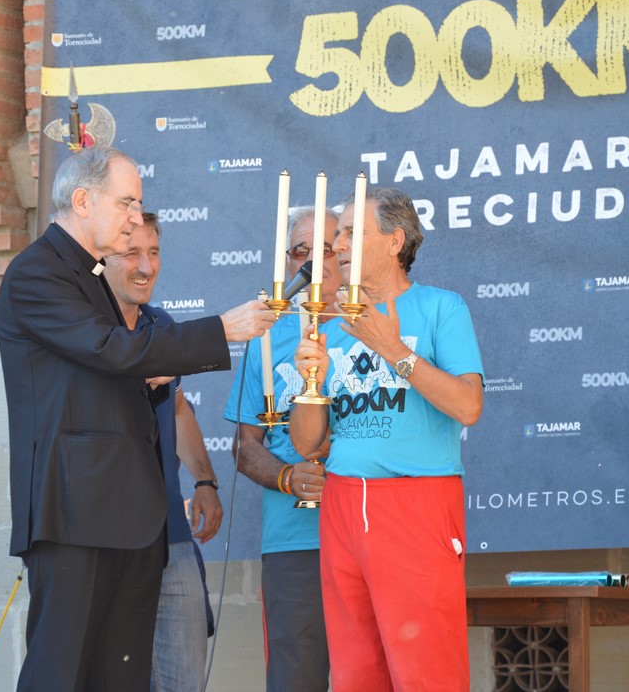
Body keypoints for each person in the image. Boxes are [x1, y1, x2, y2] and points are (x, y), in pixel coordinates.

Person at [0, 145, 276, 692]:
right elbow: (108, 350)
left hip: (130, 518)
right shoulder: (37, 272)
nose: (134, 216)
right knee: (61, 675)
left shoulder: (93, 278)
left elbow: (105, 371)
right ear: (82, 201)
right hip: (74, 513)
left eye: (138, 204)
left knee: (120, 679)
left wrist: (147, 379)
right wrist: (221, 330)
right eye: (126, 202)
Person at [289, 188, 484, 691]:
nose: (338, 244)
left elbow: (469, 406)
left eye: (352, 233)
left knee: (427, 673)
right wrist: (311, 384)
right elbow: (306, 445)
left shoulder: (441, 307)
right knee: (355, 673)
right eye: (339, 234)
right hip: (341, 503)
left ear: (395, 241)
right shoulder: (330, 320)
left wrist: (393, 349)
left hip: (415, 501)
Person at [222, 205, 341, 691]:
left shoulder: (376, 327)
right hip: (294, 539)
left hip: (369, 529)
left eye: (326, 249)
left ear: (348, 256)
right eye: (300, 251)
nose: (312, 262)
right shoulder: (267, 337)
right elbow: (244, 446)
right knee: (296, 679)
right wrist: (287, 477)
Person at [103, 212, 222, 692]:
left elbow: (177, 408)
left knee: (185, 683)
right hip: (110, 542)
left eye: (153, 253)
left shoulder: (162, 325)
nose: (146, 266)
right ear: (103, 258)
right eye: (132, 252)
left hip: (172, 534)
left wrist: (205, 481)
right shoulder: (88, 332)